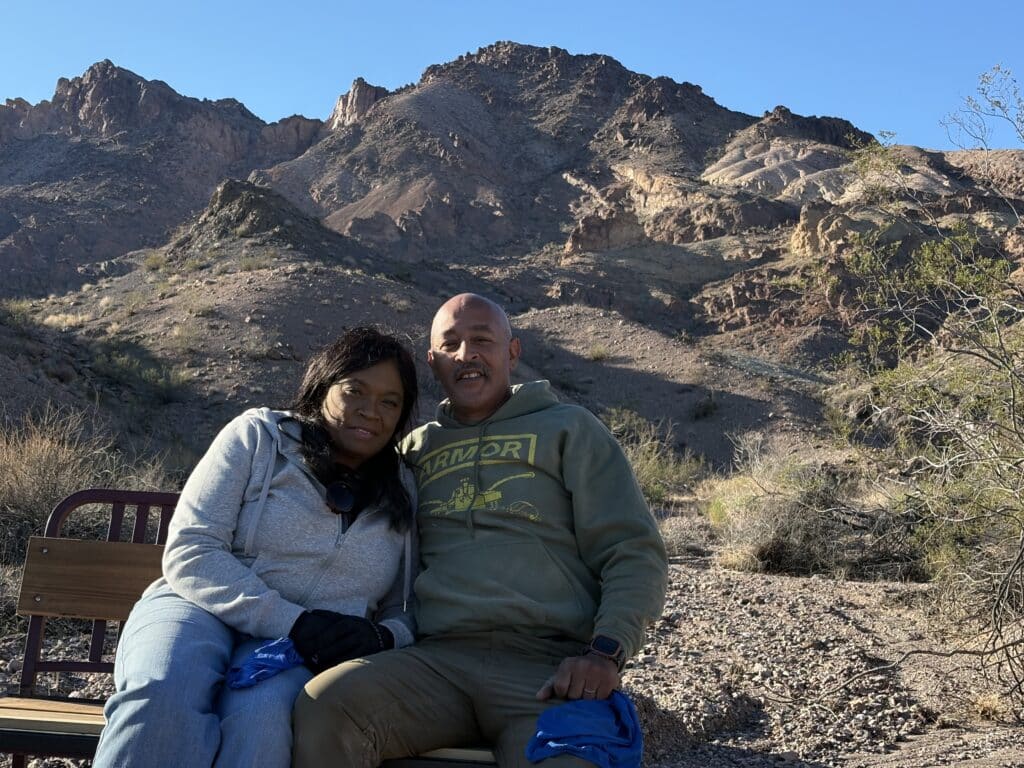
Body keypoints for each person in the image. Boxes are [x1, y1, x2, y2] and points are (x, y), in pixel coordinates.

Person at [293, 294, 668, 768]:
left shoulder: (569, 430)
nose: (466, 354)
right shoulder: (413, 450)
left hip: (548, 668)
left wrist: (606, 653)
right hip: (435, 661)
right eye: (450, 344)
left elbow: (631, 550)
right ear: (433, 363)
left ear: (512, 352)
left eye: (482, 341)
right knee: (326, 705)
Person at [92, 327, 420, 768]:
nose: (370, 411)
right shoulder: (259, 437)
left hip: (298, 647)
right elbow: (192, 549)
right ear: (323, 386)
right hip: (198, 608)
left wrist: (382, 635)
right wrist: (292, 621)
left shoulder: (402, 490)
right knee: (162, 694)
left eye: (389, 402)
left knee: (263, 721)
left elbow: (406, 604)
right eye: (354, 391)